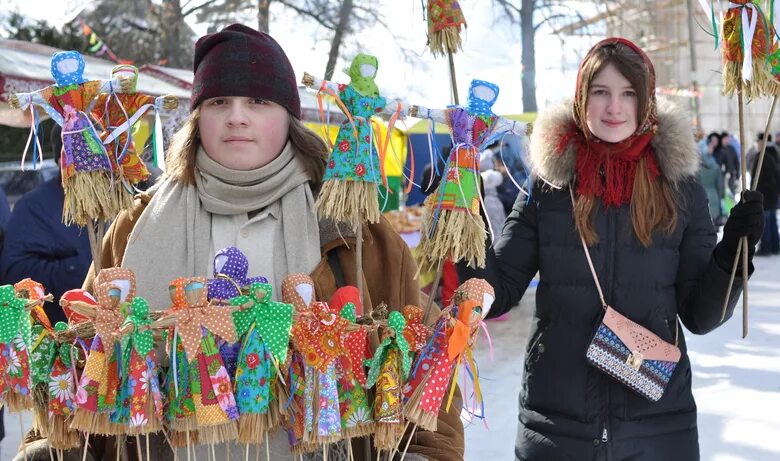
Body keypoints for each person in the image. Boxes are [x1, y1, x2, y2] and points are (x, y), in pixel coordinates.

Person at [18, 24, 463, 461]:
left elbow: (428, 364)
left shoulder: (353, 231)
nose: (236, 115)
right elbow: (83, 357)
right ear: (198, 117)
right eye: (218, 101)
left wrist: (428, 455)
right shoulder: (133, 225)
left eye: (258, 100)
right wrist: (47, 447)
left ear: (289, 116)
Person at [458, 38, 763, 460]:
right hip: (557, 428)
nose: (614, 108)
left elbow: (700, 315)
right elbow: (497, 292)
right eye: (601, 92)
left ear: (647, 100)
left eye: (628, 93)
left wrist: (734, 255)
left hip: (658, 429)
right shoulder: (550, 186)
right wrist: (462, 226)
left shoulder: (679, 187)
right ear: (582, 98)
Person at [0, 124, 92, 322]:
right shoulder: (34, 207)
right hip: (61, 332)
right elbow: (14, 273)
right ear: (61, 159)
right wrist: (82, 268)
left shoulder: (122, 199)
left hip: (118, 328)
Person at [756, 146, 780, 256]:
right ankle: (775, 246)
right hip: (774, 196)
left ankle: (766, 247)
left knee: (765, 222)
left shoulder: (763, 158)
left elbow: (761, 179)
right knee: (772, 221)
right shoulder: (776, 157)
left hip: (765, 196)